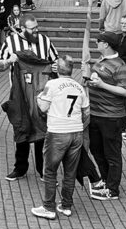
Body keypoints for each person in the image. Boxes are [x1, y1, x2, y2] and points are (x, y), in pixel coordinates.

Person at [0, 14, 58, 181]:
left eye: (37, 27)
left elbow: (56, 61)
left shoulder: (44, 41)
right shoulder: (10, 41)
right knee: (22, 129)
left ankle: (42, 169)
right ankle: (20, 168)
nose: (36, 30)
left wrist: (54, 66)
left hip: (41, 96)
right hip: (20, 96)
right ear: (22, 28)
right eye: (32, 28)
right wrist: (9, 61)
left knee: (41, 132)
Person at [30, 56, 89, 220]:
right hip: (76, 132)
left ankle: (48, 207)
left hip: (57, 132)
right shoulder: (79, 87)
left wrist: (38, 97)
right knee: (70, 172)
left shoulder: (52, 84)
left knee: (50, 171)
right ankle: (66, 205)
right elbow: (86, 112)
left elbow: (43, 108)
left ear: (57, 69)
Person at [87, 32, 126, 201]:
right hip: (95, 114)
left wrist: (101, 84)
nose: (96, 43)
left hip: (111, 117)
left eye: (99, 41)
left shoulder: (120, 66)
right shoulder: (101, 61)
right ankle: (105, 180)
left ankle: (113, 190)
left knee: (112, 154)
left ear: (106, 44)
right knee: (96, 150)